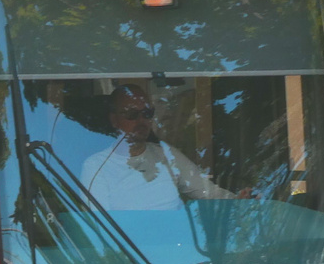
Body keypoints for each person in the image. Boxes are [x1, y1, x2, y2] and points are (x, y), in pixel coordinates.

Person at [81, 84, 233, 211]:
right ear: (114, 120)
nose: (141, 121)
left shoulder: (166, 154)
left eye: (147, 113)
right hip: (129, 246)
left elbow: (210, 193)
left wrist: (241, 202)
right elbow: (99, 228)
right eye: (132, 114)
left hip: (176, 243)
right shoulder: (96, 166)